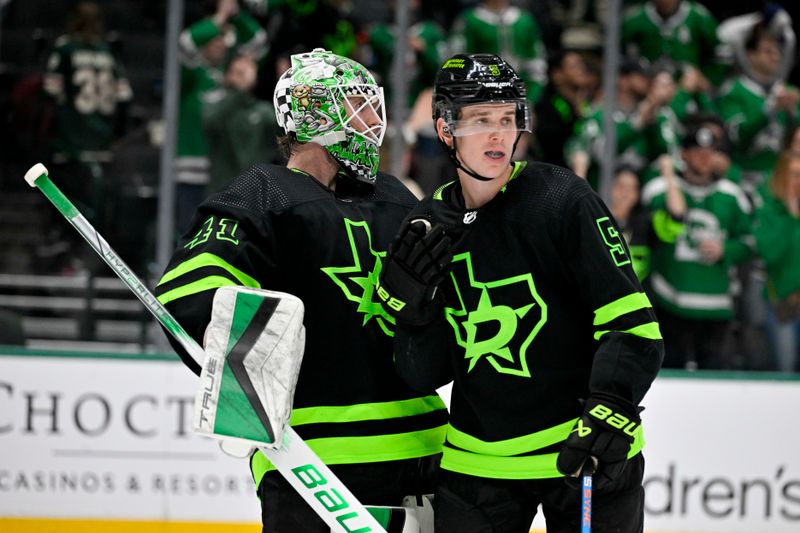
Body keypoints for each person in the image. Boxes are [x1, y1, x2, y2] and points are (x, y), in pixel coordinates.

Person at [154, 49, 447, 532]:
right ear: (316, 115)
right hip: (311, 459)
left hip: (424, 450)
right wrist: (245, 367)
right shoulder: (265, 191)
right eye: (359, 106)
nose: (374, 121)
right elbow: (193, 287)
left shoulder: (395, 195)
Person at [378, 53, 664, 532]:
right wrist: (410, 312)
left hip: (580, 452)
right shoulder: (427, 225)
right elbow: (424, 373)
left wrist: (613, 405)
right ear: (446, 130)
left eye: (508, 118)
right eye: (482, 120)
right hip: (478, 464)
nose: (498, 134)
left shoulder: (561, 199)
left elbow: (633, 323)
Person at [642, 115, 755, 370]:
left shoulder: (732, 195)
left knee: (715, 381)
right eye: (696, 152)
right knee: (667, 374)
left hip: (716, 307)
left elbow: (750, 242)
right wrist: (670, 175)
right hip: (670, 302)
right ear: (683, 155)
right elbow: (664, 226)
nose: (704, 158)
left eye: (710, 151)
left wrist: (726, 249)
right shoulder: (660, 189)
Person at [175, 0, 267, 233]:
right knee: (190, 229)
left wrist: (236, 16)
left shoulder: (230, 74)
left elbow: (258, 42)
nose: (217, 42)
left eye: (221, 38)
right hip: (193, 166)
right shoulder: (191, 73)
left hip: (225, 169)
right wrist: (220, 17)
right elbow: (186, 42)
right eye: (212, 37)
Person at [202, 53, 281, 195]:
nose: (242, 77)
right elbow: (211, 124)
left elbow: (284, 132)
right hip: (222, 190)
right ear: (227, 75)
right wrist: (239, 91)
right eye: (238, 73)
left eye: (245, 73)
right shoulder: (215, 106)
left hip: (255, 192)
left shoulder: (263, 110)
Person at [754, 150, 800, 372]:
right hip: (784, 304)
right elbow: (771, 254)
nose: (798, 181)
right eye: (793, 175)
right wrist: (791, 216)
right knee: (786, 369)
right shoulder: (769, 211)